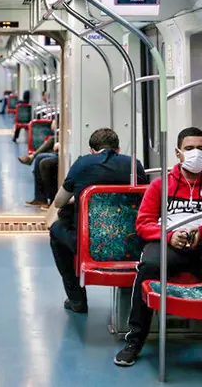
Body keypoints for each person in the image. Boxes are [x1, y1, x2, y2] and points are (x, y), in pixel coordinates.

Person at [114, 127, 202, 367]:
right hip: (169, 242)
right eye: (189, 149)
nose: (196, 153)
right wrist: (169, 235)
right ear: (178, 154)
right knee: (148, 267)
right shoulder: (160, 186)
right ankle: (134, 341)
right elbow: (143, 223)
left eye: (201, 148)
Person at [49, 128, 147, 313]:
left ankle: (76, 300)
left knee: (57, 230)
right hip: (131, 242)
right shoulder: (135, 164)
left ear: (92, 150)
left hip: (91, 244)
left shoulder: (82, 164)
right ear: (118, 149)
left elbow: (59, 202)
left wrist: (79, 197)